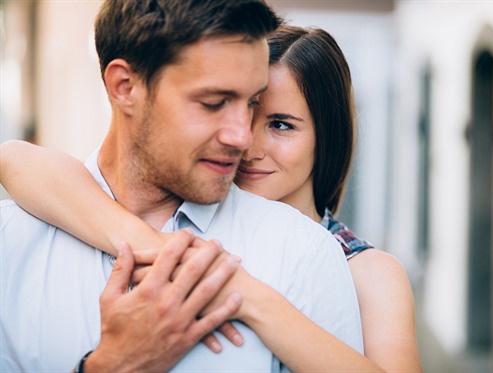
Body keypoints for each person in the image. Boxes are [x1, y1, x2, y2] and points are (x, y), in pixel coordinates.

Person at [1, 24, 422, 372]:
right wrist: (161, 249)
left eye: (280, 125)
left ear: (325, 137)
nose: (246, 143)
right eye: (235, 109)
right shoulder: (189, 219)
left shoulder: (366, 270)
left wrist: (245, 294)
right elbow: (16, 159)